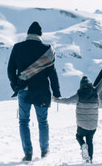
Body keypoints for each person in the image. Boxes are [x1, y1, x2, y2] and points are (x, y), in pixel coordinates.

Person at [7, 21, 61, 162]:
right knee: (42, 121)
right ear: (40, 35)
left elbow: (10, 69)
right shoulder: (47, 50)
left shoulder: (18, 48)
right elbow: (52, 74)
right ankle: (44, 151)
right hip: (42, 91)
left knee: (24, 122)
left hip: (24, 90)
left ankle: (28, 152)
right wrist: (56, 92)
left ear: (28, 34)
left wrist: (15, 86)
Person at [54, 76, 99, 163]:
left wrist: (56, 100)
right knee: (90, 140)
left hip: (82, 125)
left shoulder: (79, 94)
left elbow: (68, 101)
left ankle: (82, 145)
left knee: (79, 136)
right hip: (93, 126)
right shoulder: (96, 94)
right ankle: (90, 159)